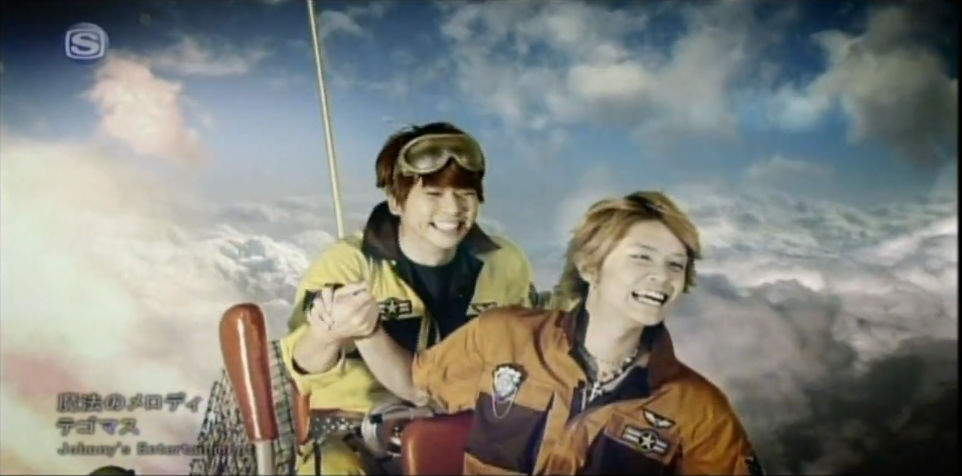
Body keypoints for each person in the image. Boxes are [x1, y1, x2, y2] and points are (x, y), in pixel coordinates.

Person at [411, 191, 764, 475]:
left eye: (676, 265)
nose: (662, 276)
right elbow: (419, 384)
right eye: (642, 257)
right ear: (590, 266)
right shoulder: (504, 335)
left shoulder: (700, 409)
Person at [280, 122, 543, 475]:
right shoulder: (349, 264)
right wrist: (327, 333)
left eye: (465, 193)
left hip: (469, 432)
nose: (453, 208)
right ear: (396, 201)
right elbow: (303, 364)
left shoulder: (505, 263)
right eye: (433, 194)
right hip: (357, 439)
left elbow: (528, 357)